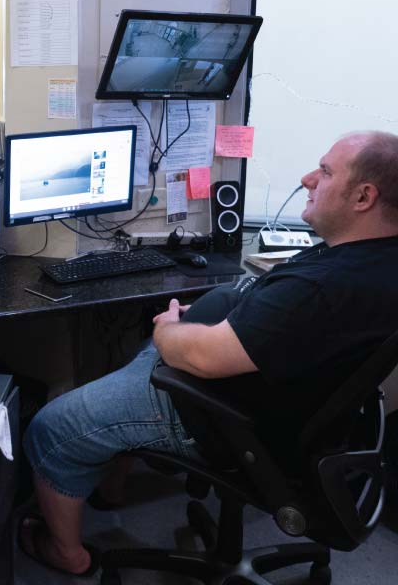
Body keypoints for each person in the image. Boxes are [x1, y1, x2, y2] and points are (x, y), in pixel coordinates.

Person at [20, 131, 398, 577]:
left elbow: (204, 360)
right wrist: (199, 324)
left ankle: (68, 554)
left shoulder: (324, 290)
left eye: (326, 171)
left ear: (363, 196)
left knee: (52, 427)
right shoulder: (372, 257)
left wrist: (170, 330)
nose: (308, 178)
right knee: (126, 366)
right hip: (242, 379)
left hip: (215, 408)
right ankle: (113, 487)